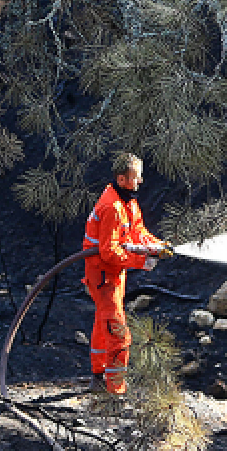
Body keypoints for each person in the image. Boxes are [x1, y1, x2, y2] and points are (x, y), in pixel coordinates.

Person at [82, 152, 172, 394]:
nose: (140, 181)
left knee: (104, 323)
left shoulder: (127, 202)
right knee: (119, 334)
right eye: (136, 177)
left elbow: (138, 232)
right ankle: (116, 392)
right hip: (103, 276)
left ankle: (98, 377)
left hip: (110, 275)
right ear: (122, 179)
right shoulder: (112, 207)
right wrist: (141, 261)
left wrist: (157, 245)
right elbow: (109, 251)